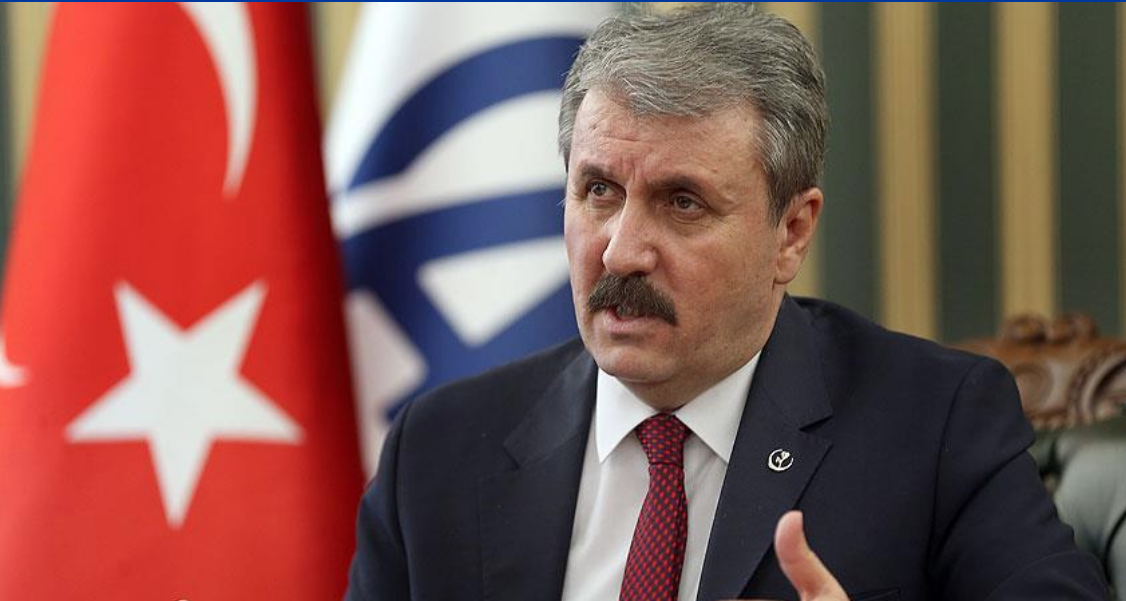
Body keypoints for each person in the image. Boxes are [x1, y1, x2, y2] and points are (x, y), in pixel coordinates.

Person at [343, 4, 1110, 600]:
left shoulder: (934, 425)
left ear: (791, 232)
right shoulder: (439, 451)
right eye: (599, 190)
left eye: (682, 202)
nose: (621, 250)